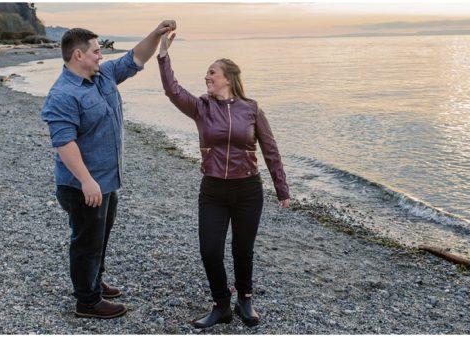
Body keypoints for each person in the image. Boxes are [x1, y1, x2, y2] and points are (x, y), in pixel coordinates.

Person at [156, 23, 290, 328]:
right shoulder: (201, 108)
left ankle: (245, 299)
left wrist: (281, 189)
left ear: (228, 79)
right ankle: (221, 305)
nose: (207, 76)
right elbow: (171, 89)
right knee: (209, 249)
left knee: (243, 248)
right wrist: (163, 54)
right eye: (207, 73)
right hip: (213, 190)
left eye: (212, 72)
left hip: (248, 190)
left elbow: (270, 150)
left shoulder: (251, 108)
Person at [40, 21, 176, 319]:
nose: (101, 56)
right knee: (86, 240)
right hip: (82, 185)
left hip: (107, 179)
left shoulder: (102, 76)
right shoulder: (63, 94)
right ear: (78, 55)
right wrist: (87, 181)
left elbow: (136, 58)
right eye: (96, 51)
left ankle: (94, 281)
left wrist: (155, 34)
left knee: (100, 236)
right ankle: (87, 302)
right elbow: (64, 143)